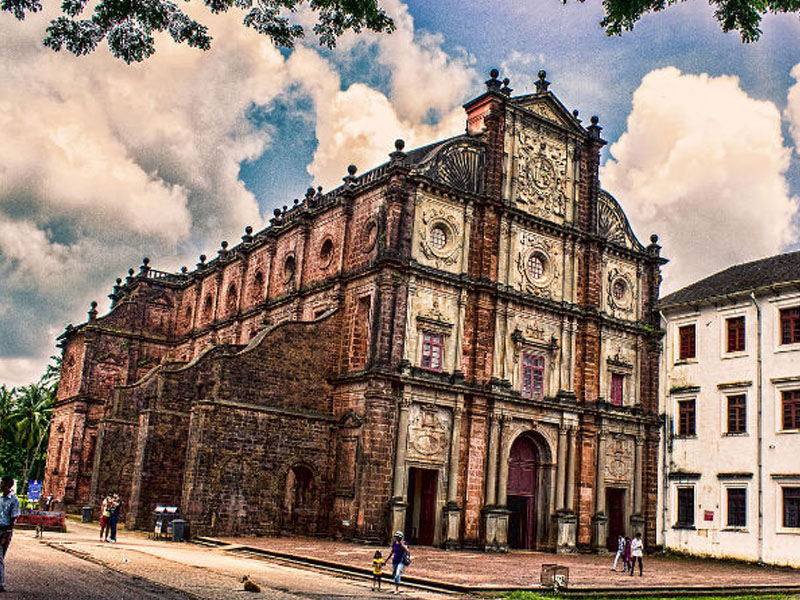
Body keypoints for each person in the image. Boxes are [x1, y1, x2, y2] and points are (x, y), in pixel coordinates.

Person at [0, 476, 21, 593]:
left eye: (2, 482)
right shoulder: (0, 499)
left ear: (8, 484)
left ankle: (1, 584)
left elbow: (14, 518)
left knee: (0, 557)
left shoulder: (14, 500)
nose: (0, 484)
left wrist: (7, 534)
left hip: (5, 530)